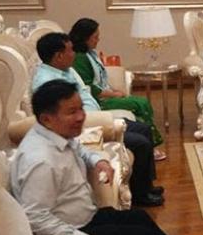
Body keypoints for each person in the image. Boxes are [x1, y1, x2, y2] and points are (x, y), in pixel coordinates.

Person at [11, 80, 203, 235]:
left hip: (80, 219)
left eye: (80, 109)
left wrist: (98, 161)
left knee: (140, 219)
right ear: (47, 119)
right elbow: (35, 218)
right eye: (71, 112)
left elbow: (80, 150)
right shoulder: (40, 161)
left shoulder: (55, 135)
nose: (81, 117)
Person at [32, 32, 164, 207]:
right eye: (70, 50)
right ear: (58, 56)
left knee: (143, 129)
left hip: (95, 114)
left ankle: (146, 186)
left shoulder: (65, 70)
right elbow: (63, 119)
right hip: (88, 123)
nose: (74, 54)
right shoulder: (47, 82)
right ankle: (141, 196)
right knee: (139, 142)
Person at [69, 18, 166, 161]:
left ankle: (150, 144)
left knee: (142, 102)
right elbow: (91, 87)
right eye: (95, 37)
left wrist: (114, 90)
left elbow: (102, 79)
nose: (98, 40)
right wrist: (113, 94)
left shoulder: (90, 53)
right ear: (85, 38)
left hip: (105, 95)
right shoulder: (80, 58)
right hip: (99, 100)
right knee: (139, 103)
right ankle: (150, 147)